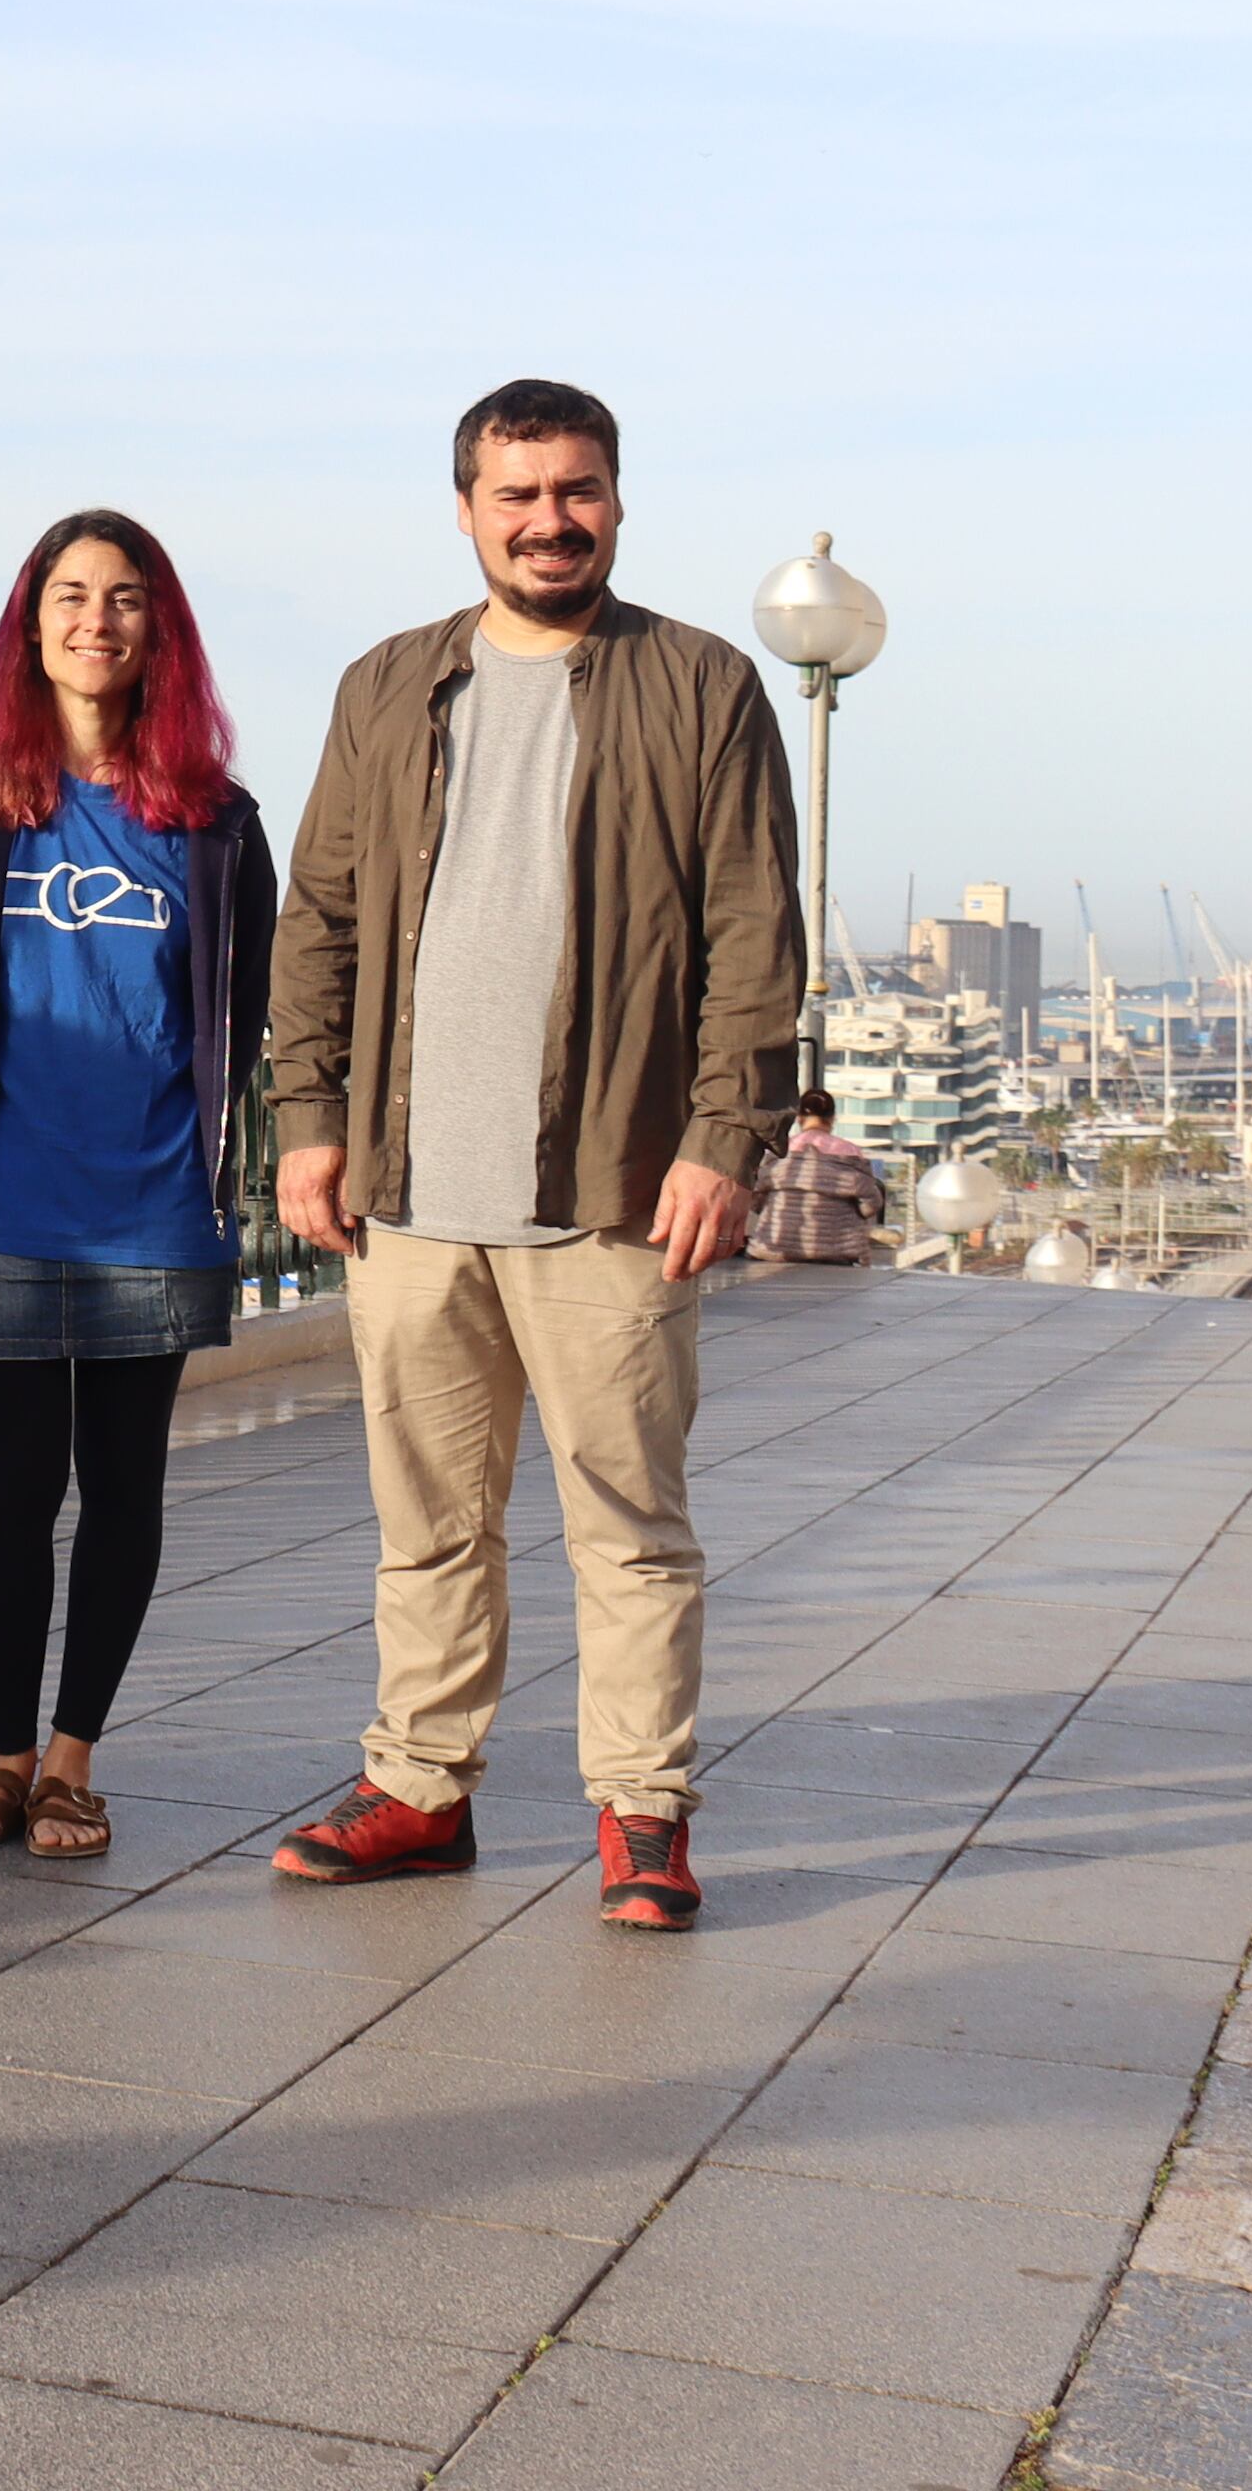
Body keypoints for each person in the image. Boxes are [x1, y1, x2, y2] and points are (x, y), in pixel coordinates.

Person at [266, 378, 801, 1932]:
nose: (548, 520)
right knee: (427, 1522)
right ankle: (421, 1791)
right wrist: (309, 1120)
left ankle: (643, 1813)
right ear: (466, 508)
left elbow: (753, 935)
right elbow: (324, 922)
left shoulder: (699, 685)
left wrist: (725, 1139)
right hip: (411, 1194)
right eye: (518, 494)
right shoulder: (386, 687)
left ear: (617, 501)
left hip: (617, 1192)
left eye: (576, 491)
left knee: (628, 1527)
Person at [0, 513, 273, 1863]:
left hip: (156, 1201)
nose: (95, 621)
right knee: (14, 1484)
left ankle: (72, 1763)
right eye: (70, 595)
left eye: (124, 599)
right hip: (0, 1193)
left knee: (122, 1488)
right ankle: (0, 1757)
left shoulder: (219, 824)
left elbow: (248, 1002)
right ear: (31, 620)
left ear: (156, 628)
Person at [749, 1090, 884, 1264]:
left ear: (799, 1117)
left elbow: (756, 1198)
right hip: (837, 1252)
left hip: (774, 1248)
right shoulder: (851, 1153)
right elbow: (871, 1204)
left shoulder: (780, 1150)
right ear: (832, 1118)